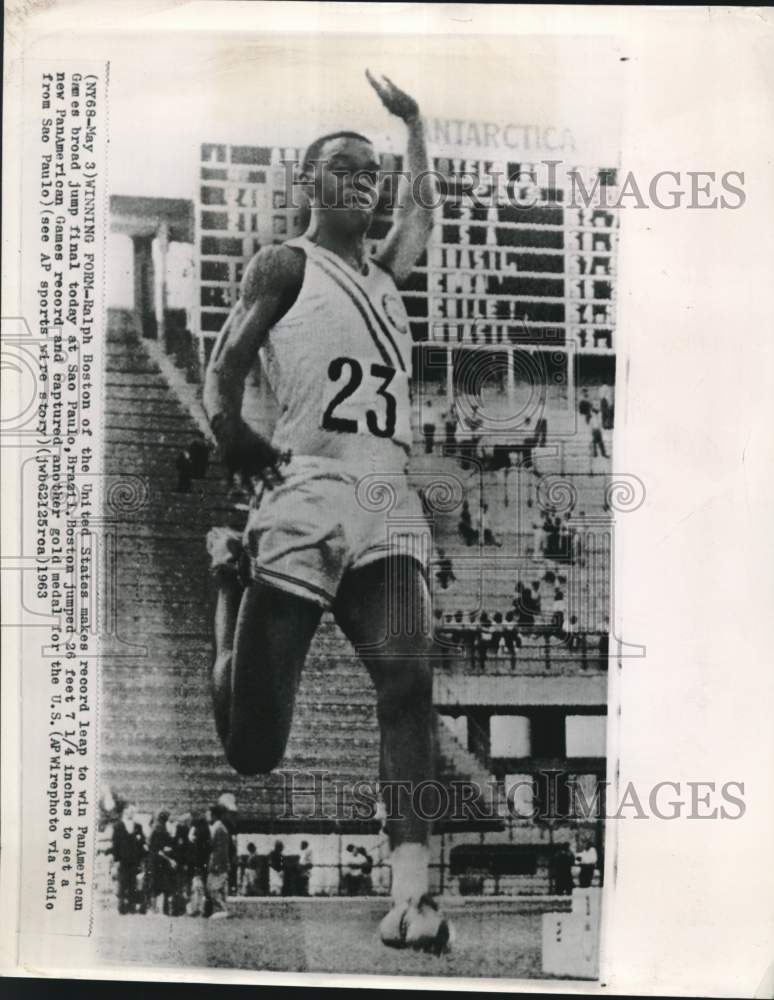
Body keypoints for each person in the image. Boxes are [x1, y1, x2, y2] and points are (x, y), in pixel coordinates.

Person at [202, 70, 449, 953]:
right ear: (308, 182)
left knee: (410, 678)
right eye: (345, 166)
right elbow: (226, 364)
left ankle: (414, 895)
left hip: (386, 494)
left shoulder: (387, 273)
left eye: (373, 169)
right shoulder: (285, 262)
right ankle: (226, 587)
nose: (365, 180)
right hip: (306, 487)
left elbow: (425, 207)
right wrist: (233, 435)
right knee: (254, 751)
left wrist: (416, 125)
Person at [111, 803, 146, 915]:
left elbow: (142, 844)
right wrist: (116, 860)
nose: (131, 813)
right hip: (122, 860)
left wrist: (141, 859)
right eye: (129, 811)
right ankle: (122, 907)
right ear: (125, 812)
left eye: (132, 812)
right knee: (122, 882)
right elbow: (115, 844)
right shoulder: (118, 826)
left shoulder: (138, 826)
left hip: (135, 860)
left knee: (133, 883)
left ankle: (131, 906)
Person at [148, 810, 176, 914]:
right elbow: (159, 849)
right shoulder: (160, 829)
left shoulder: (157, 827)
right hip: (159, 861)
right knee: (159, 885)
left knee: (156, 885)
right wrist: (170, 859)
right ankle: (156, 908)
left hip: (156, 861)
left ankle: (155, 908)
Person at [207, 804, 232, 918]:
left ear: (213, 815)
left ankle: (223, 910)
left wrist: (215, 864)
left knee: (213, 889)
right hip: (222, 863)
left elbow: (216, 847)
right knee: (220, 890)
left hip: (217, 864)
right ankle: (223, 910)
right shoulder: (222, 828)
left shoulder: (217, 828)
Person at [187, 811, 211, 916]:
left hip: (196, 863)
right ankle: (202, 909)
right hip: (203, 862)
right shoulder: (206, 830)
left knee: (196, 887)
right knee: (202, 887)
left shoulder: (195, 831)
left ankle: (195, 908)